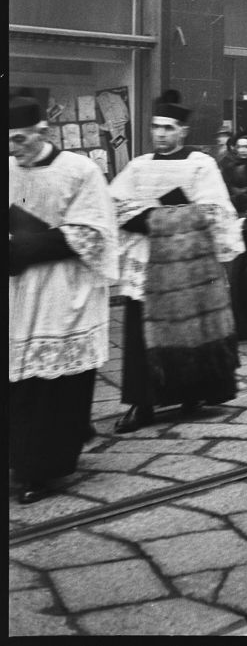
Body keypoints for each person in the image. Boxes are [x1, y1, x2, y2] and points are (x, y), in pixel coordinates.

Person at [108, 90, 244, 434]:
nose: (161, 134)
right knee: (141, 335)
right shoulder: (138, 166)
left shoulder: (201, 165)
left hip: (189, 265)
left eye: (169, 128)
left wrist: (156, 216)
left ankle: (191, 395)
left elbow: (213, 211)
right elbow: (118, 207)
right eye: (156, 128)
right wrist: (161, 218)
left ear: (183, 131)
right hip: (148, 264)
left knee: (192, 331)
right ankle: (142, 403)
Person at [9, 95, 119, 504]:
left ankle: (45, 468)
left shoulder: (80, 171)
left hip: (63, 291)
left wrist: (25, 247)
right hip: (18, 292)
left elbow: (94, 232)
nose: (12, 149)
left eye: (19, 139)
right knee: (19, 384)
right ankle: (20, 460)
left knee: (56, 388)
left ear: (42, 132)